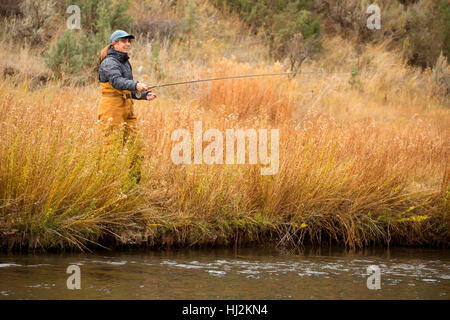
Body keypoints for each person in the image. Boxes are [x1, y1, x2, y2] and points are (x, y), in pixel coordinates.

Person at [98, 30, 157, 183]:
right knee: (112, 148)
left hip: (127, 107)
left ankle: (133, 185)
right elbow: (117, 82)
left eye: (128, 41)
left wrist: (144, 95)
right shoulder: (109, 62)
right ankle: (107, 186)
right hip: (111, 107)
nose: (127, 44)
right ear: (114, 44)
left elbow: (128, 89)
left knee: (136, 146)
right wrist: (137, 84)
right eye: (123, 41)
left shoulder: (125, 62)